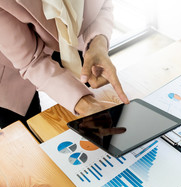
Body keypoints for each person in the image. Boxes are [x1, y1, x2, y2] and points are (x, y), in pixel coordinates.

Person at [0, 0, 129, 129]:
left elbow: (102, 5)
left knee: (95, 81)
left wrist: (97, 42)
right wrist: (87, 105)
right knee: (27, 128)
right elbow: (33, 63)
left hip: (67, 37)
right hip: (10, 66)